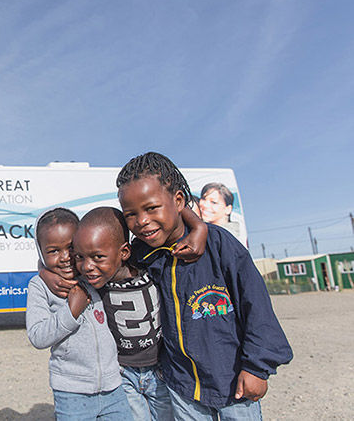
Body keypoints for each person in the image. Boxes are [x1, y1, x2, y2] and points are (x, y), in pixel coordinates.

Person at [116, 152, 293, 419]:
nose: (141, 221)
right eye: (131, 214)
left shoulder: (219, 245)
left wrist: (257, 368)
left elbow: (256, 306)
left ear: (178, 201)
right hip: (182, 386)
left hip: (234, 384)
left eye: (151, 208)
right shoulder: (143, 254)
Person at [40, 207, 206, 421]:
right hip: (123, 373)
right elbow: (57, 261)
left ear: (124, 253)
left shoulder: (143, 259)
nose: (88, 265)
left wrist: (199, 226)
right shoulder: (95, 280)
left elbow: (175, 211)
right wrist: (44, 272)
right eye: (81, 256)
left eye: (98, 256)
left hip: (161, 367)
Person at [25, 207, 133, 421]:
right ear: (41, 253)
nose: (65, 258)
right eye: (53, 251)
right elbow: (37, 336)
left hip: (114, 386)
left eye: (71, 248)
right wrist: (71, 311)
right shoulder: (39, 286)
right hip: (71, 391)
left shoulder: (93, 274)